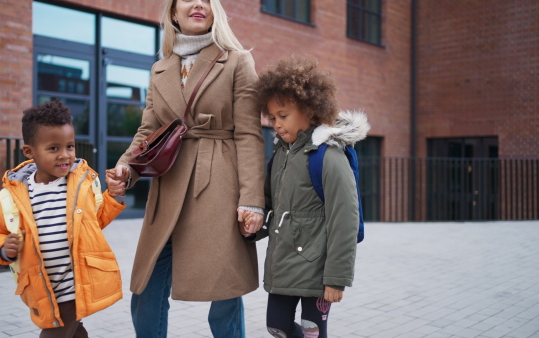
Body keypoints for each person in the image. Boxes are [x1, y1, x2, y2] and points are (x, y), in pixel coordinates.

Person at [107, 0, 265, 336]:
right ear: (174, 13)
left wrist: (252, 199)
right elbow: (148, 131)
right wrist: (126, 169)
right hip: (169, 185)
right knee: (145, 289)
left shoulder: (237, 61)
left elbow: (250, 136)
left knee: (224, 291)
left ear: (214, 10)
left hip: (219, 184)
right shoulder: (161, 68)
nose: (197, 4)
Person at [240, 55, 369, 337]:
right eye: (272, 118)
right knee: (277, 327)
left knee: (312, 332)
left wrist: (336, 279)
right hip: (283, 265)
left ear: (310, 111)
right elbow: (270, 203)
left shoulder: (329, 156)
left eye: (283, 116)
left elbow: (345, 220)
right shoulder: (280, 154)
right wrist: (254, 225)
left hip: (318, 270)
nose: (276, 124)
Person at [0, 99, 126, 338]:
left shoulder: (81, 184)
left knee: (55, 332)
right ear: (30, 151)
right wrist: (3, 248)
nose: (65, 155)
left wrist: (114, 197)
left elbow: (95, 222)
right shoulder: (13, 196)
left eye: (70, 146)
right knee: (75, 332)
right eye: (53, 148)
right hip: (43, 285)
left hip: (75, 283)